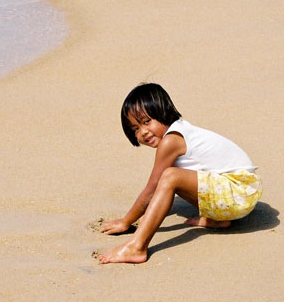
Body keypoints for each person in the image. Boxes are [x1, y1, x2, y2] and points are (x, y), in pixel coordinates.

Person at [97, 82, 262, 264]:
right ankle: (219, 219)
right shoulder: (182, 130)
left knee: (170, 177)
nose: (143, 132)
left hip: (240, 191)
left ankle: (137, 247)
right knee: (172, 177)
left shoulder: (171, 141)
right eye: (135, 129)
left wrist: (126, 221)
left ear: (163, 112)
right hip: (243, 194)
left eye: (146, 121)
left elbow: (152, 189)